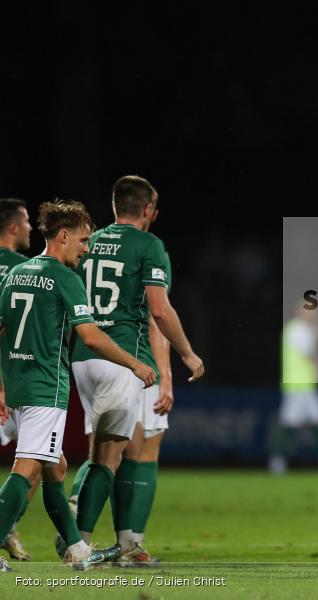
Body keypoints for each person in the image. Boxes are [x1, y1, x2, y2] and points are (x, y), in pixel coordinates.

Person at [0, 200, 156, 573]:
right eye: (83, 240)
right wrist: (135, 364)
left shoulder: (17, 273)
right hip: (45, 388)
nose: (87, 249)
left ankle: (76, 548)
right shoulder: (64, 278)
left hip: (19, 384)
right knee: (27, 468)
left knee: (56, 466)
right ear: (64, 236)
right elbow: (91, 336)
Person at [69, 176, 204, 568]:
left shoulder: (88, 242)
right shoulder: (148, 246)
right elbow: (158, 311)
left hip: (83, 354)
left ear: (115, 205)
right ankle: (79, 543)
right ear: (148, 210)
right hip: (122, 357)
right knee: (111, 455)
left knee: (126, 444)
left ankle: (125, 541)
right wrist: (187, 354)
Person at [271, 304, 318, 475]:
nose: (313, 313)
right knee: (290, 424)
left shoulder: (305, 329)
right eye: (309, 309)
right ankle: (277, 463)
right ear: (299, 311)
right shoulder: (297, 330)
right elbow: (311, 358)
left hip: (306, 386)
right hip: (297, 386)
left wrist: (317, 319)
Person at [0, 199, 34, 561]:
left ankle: (6, 527)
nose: (30, 228)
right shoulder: (24, 271)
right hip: (14, 378)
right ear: (12, 227)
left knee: (49, 461)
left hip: (11, 380)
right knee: (44, 462)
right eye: (25, 222)